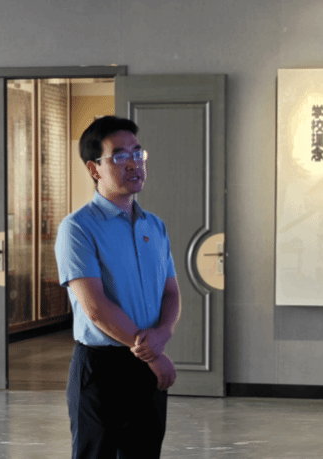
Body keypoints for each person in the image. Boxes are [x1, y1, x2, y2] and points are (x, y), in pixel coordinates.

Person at [55, 116, 182, 459]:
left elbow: (171, 293)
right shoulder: (78, 228)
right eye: (120, 156)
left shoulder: (154, 226)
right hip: (102, 369)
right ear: (94, 168)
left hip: (146, 365)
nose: (133, 163)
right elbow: (96, 308)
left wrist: (163, 333)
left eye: (138, 153)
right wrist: (154, 354)